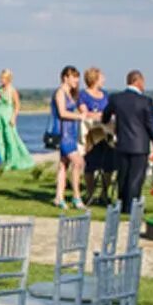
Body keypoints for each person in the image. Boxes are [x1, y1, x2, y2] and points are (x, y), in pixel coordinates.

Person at [102, 70, 153, 214]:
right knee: (136, 178)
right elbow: (151, 125)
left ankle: (122, 203)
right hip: (140, 145)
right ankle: (131, 207)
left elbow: (105, 117)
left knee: (123, 176)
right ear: (138, 81)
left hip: (122, 143)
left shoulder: (116, 99)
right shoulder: (146, 101)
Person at [51, 65, 91, 209]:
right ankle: (76, 196)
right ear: (65, 78)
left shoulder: (71, 93)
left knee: (63, 165)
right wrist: (78, 116)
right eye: (73, 77)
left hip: (71, 132)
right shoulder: (60, 93)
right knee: (79, 162)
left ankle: (59, 197)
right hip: (63, 134)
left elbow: (80, 108)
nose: (76, 80)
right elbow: (62, 113)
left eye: (77, 77)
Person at [78, 67, 113, 205]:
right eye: (101, 77)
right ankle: (91, 192)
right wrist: (98, 115)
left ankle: (105, 192)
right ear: (95, 79)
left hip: (106, 133)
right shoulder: (83, 95)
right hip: (91, 134)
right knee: (91, 164)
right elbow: (84, 113)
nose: (104, 80)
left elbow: (110, 110)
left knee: (109, 164)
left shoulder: (105, 94)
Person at [0, 68, 33, 170]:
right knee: (0, 140)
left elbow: (17, 105)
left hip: (8, 118)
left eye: (4, 78)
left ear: (8, 78)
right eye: (1, 78)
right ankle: (2, 160)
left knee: (10, 139)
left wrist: (14, 117)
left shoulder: (12, 90)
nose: (2, 80)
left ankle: (13, 160)